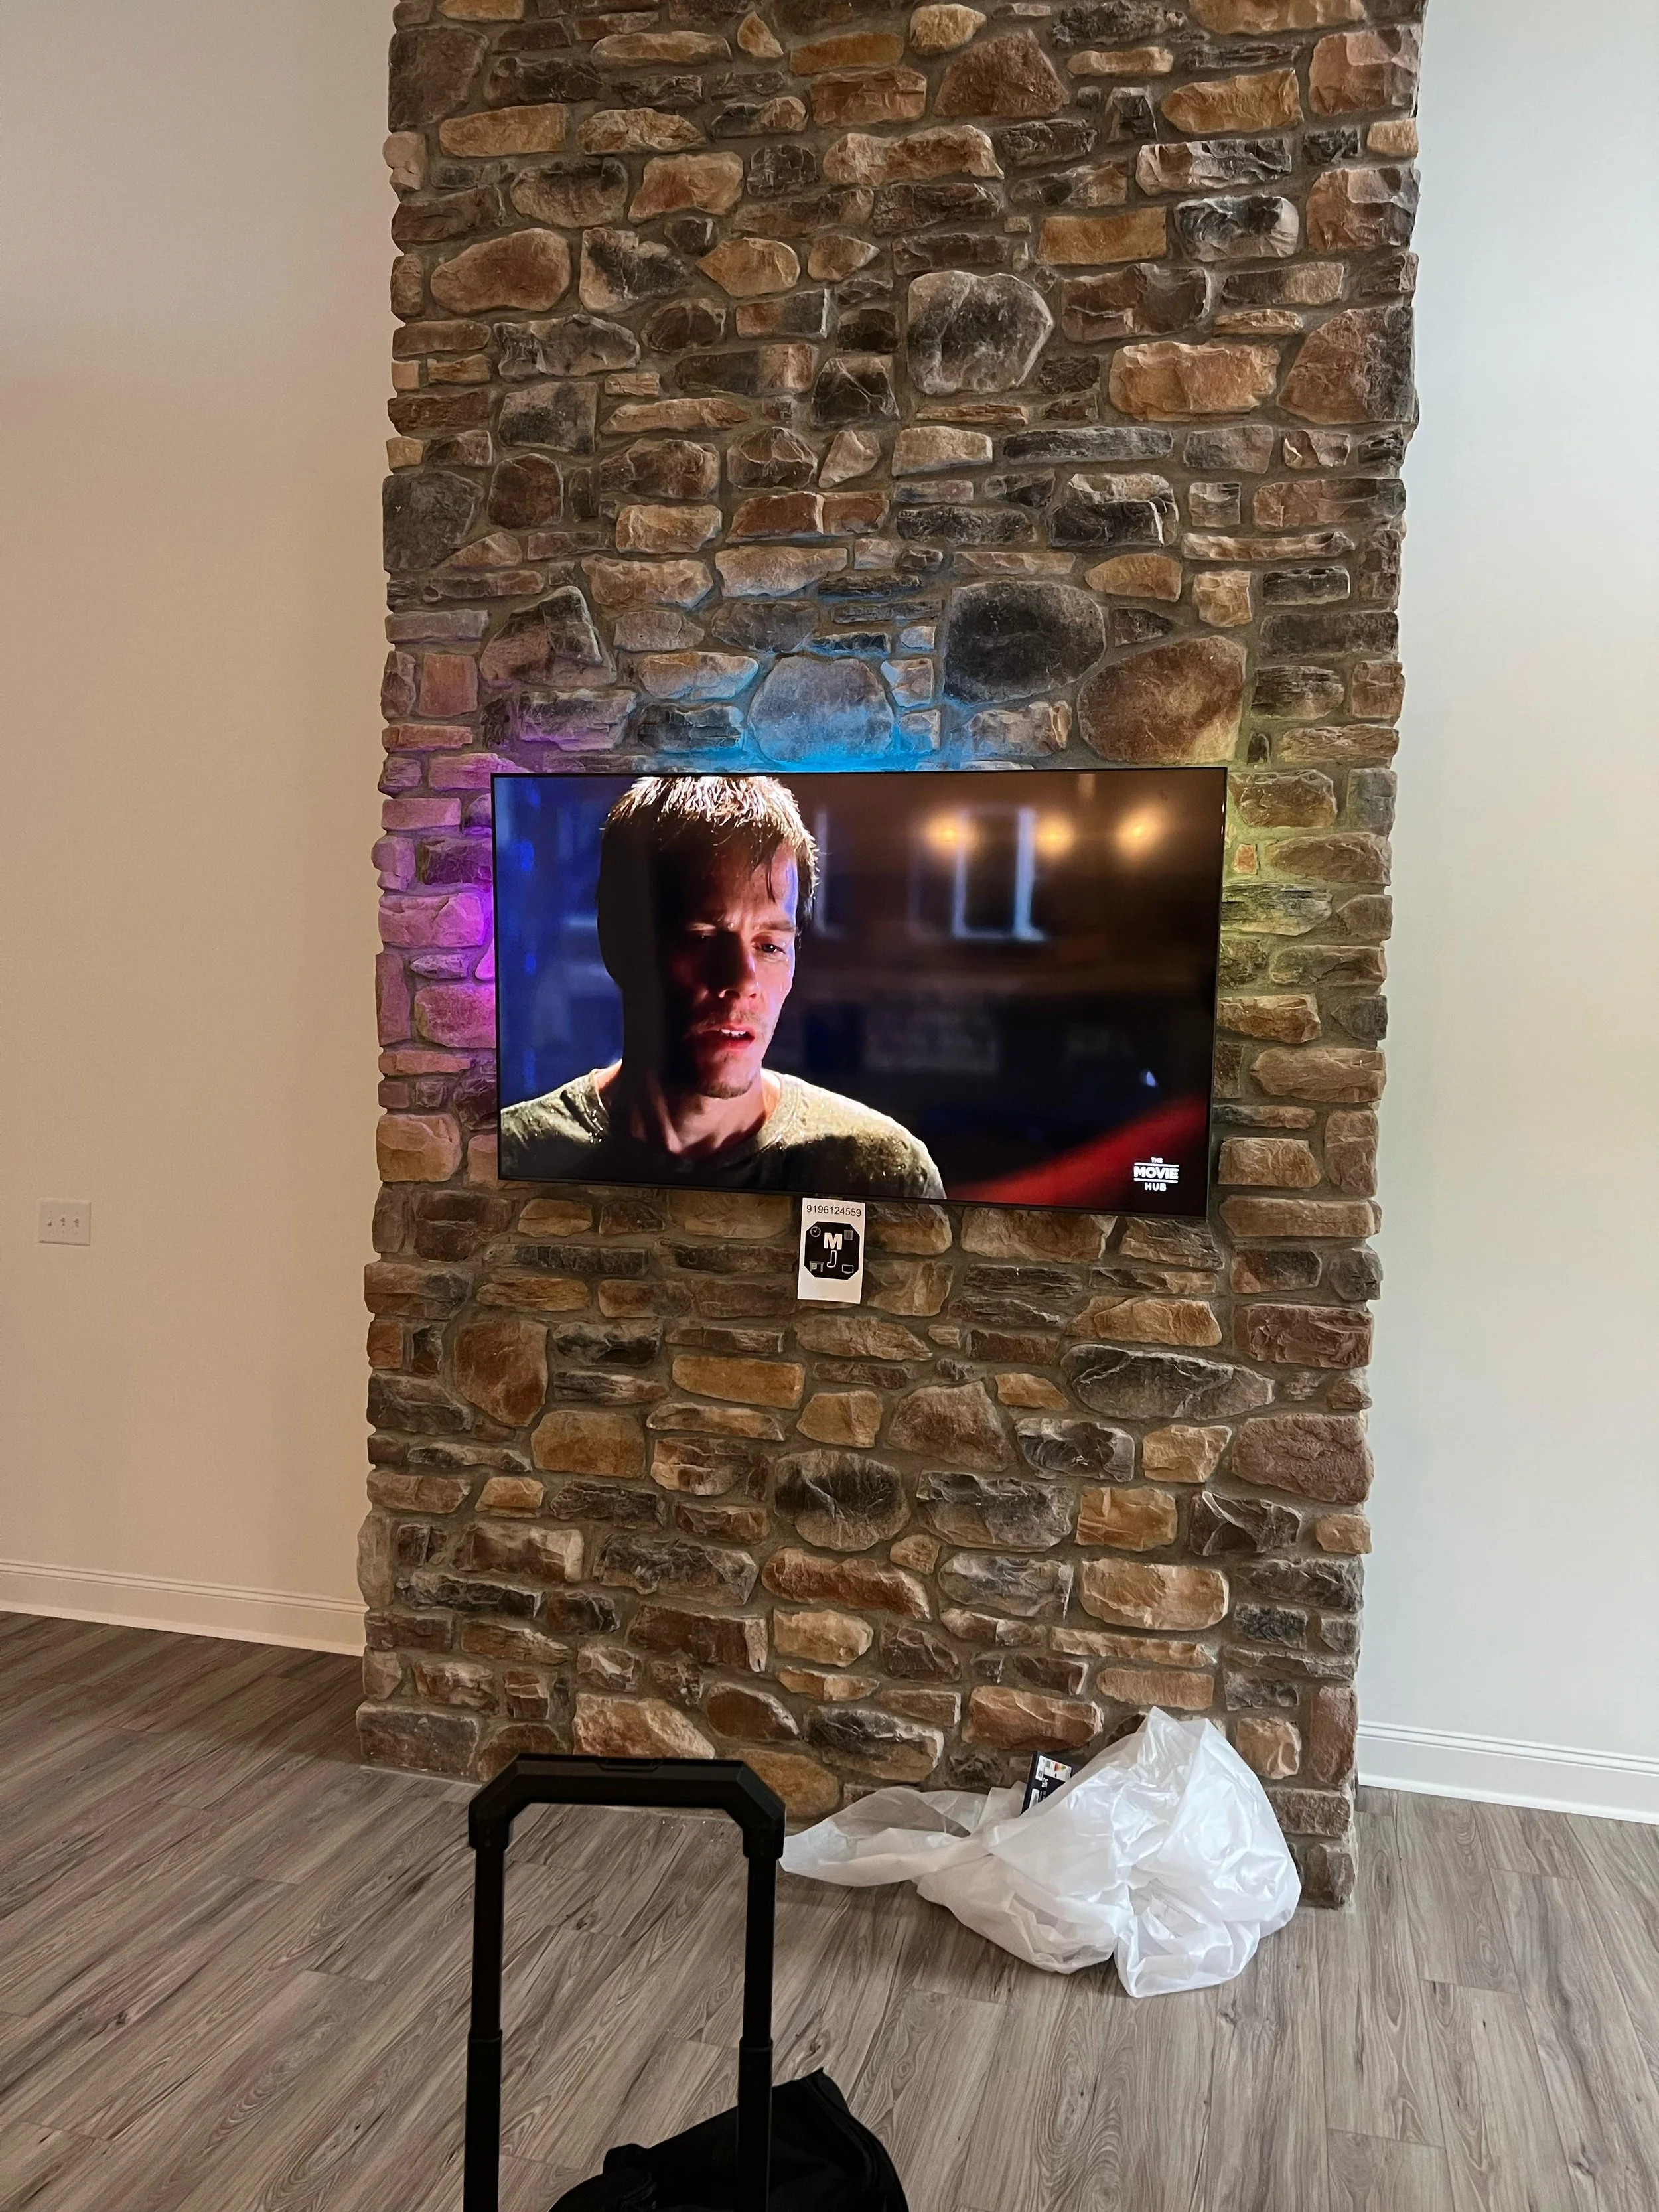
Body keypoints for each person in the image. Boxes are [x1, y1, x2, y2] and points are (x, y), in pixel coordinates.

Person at [500, 774, 945, 1198]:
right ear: (619, 942)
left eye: (770, 946)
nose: (742, 981)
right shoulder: (516, 1155)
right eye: (702, 938)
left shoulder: (881, 1174)